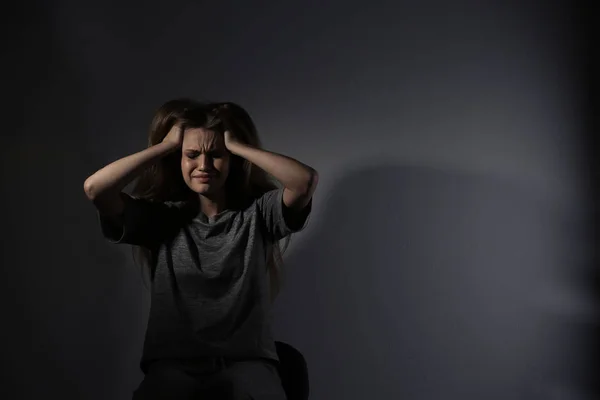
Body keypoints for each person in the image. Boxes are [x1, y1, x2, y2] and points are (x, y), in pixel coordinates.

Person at [83, 98, 318, 399]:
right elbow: (95, 189)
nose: (203, 166)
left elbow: (305, 181)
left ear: (231, 159)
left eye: (216, 155)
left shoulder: (259, 215)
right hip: (174, 367)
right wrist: (166, 146)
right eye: (191, 155)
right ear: (178, 159)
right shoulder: (161, 219)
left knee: (249, 388)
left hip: (247, 364)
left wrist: (239, 146)